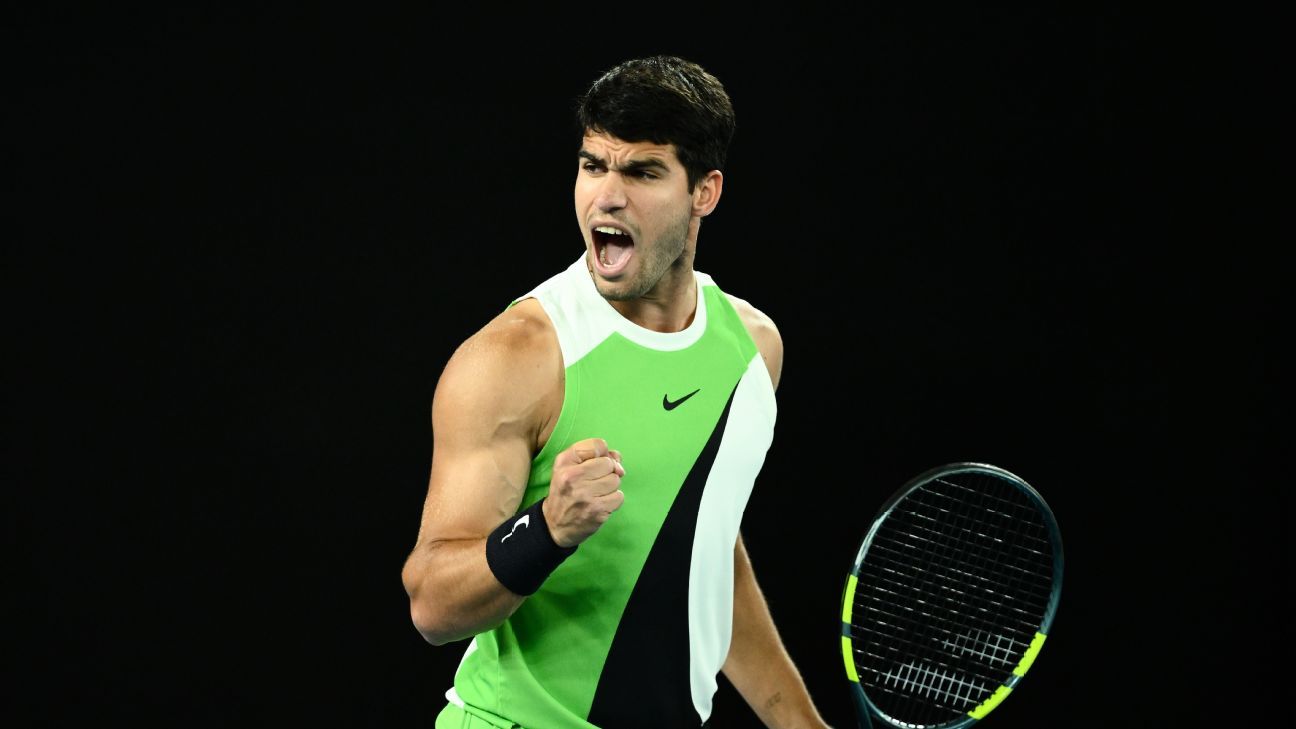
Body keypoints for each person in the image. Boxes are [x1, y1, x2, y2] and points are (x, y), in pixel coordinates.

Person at [401, 54, 831, 729]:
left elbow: (707, 555)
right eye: (593, 164)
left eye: (642, 171)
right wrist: (546, 530)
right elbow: (431, 605)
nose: (606, 195)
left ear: (705, 192)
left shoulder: (753, 351)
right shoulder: (516, 357)